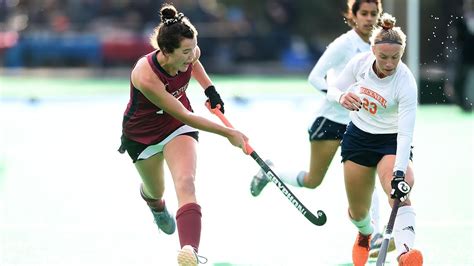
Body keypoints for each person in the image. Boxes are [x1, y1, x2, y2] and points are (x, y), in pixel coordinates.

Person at [249, 0, 394, 256]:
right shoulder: (343, 45)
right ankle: (271, 171)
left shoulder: (380, 46)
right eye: (364, 13)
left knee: (367, 174)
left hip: (359, 125)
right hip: (329, 122)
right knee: (313, 180)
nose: (369, 18)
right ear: (353, 15)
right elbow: (314, 77)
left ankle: (374, 233)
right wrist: (339, 96)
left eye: (374, 13)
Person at [117, 3, 248, 265]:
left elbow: (195, 64)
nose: (192, 56)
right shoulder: (145, 75)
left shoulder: (190, 50)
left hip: (176, 127)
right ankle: (154, 204)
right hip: (142, 133)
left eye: (193, 49)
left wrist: (210, 90)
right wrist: (228, 133)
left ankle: (190, 250)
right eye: (185, 52)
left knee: (186, 183)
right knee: (156, 190)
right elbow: (186, 115)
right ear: (166, 51)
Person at [327, 13, 423, 265]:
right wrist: (341, 97)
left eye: (395, 57)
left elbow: (405, 133)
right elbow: (334, 88)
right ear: (373, 51)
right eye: (383, 57)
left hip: (390, 141)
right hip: (358, 138)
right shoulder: (360, 63)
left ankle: (406, 252)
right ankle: (365, 234)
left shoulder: (406, 83)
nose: (390, 63)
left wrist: (400, 173)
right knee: (358, 212)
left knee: (401, 188)